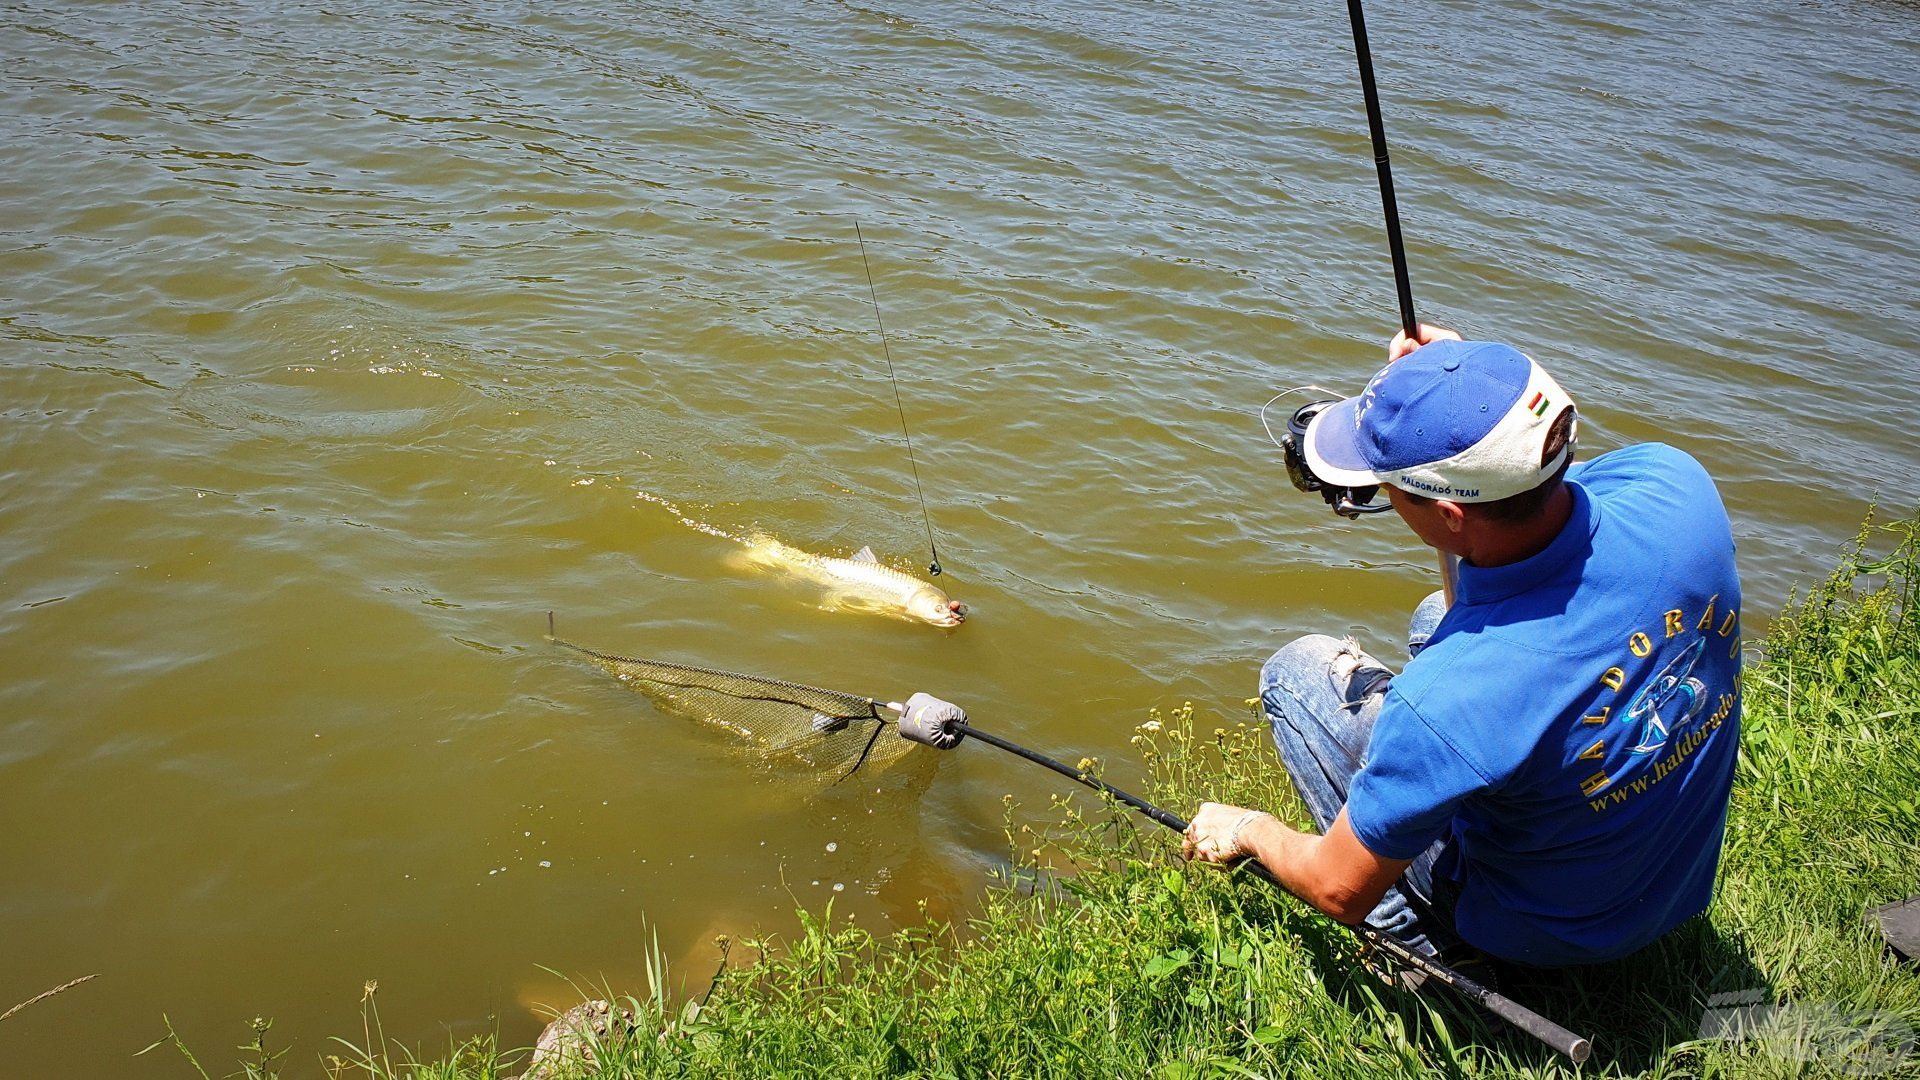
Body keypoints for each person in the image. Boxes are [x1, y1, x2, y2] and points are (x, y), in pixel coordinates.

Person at [1179, 325, 1743, 970]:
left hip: (1545, 940)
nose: (1382, 495)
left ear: (1450, 516)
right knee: (1432, 618)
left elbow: (1336, 889)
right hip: (1667, 889)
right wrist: (1459, 387)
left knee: (1295, 673)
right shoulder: (1674, 484)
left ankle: (1418, 946)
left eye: (1388, 486)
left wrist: (1250, 830)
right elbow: (1517, 498)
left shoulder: (1448, 700)